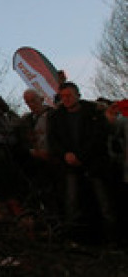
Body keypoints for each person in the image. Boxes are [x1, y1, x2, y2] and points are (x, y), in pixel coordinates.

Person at [48, 82, 117, 243]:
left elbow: (99, 137)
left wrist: (80, 156)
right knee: (72, 201)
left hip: (94, 164)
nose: (66, 99)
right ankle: (74, 238)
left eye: (69, 96)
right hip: (70, 165)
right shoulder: (57, 117)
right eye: (63, 96)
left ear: (77, 95)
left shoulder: (93, 112)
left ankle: (112, 238)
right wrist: (65, 155)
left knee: (104, 202)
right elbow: (54, 141)